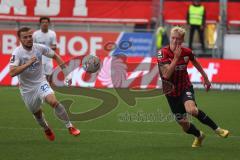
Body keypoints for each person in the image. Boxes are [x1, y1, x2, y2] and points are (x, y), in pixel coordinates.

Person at [157, 26, 229, 147]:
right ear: (170, 38)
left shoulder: (187, 52)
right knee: (184, 125)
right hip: (171, 93)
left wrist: (205, 77)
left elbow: (196, 62)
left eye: (178, 39)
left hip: (185, 87)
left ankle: (218, 130)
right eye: (173, 38)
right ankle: (199, 135)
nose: (175, 41)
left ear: (182, 40)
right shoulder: (162, 53)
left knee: (192, 110)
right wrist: (175, 58)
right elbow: (166, 75)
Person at [9, 27, 80, 141]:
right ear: (20, 39)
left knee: (54, 102)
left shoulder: (39, 48)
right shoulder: (17, 53)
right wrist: (28, 64)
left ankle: (70, 126)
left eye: (30, 36)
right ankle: (46, 128)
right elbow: (12, 72)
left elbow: (55, 56)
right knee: (37, 114)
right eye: (25, 37)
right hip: (27, 90)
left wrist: (67, 73)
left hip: (41, 82)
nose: (28, 39)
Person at [33, 17, 57, 84]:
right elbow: (33, 46)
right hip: (39, 58)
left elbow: (54, 46)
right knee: (39, 76)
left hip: (48, 58)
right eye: (43, 22)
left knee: (49, 76)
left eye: (46, 22)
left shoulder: (52, 34)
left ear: (48, 23)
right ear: (40, 24)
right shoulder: (35, 34)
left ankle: (48, 91)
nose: (44, 24)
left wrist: (48, 48)